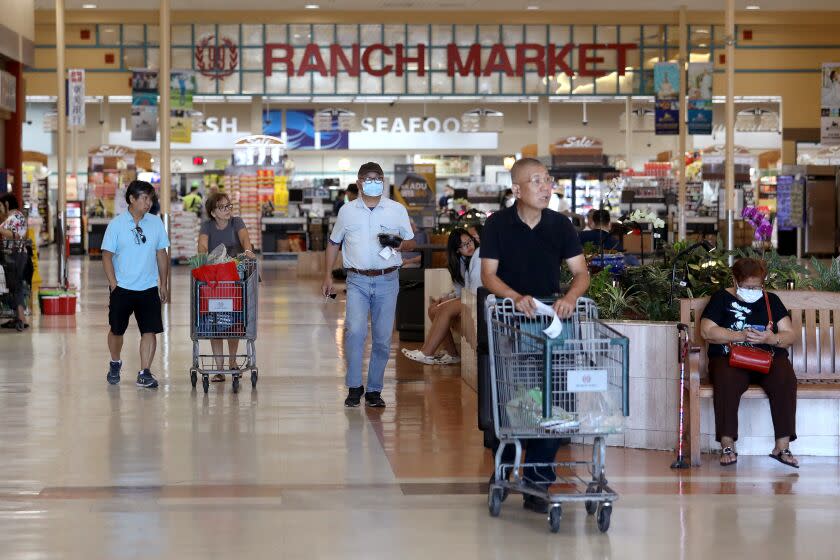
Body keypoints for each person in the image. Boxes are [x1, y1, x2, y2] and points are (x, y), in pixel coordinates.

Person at [480, 157, 590, 513]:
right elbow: (488, 275)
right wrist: (514, 297)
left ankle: (537, 481)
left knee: (554, 401)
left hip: (552, 323)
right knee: (518, 402)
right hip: (511, 323)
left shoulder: (561, 225)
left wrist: (570, 297)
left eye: (548, 181)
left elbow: (581, 273)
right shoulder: (497, 225)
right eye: (537, 181)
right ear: (517, 189)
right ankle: (521, 468)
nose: (546, 188)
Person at [322, 162, 416, 408]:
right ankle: (354, 386)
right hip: (357, 280)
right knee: (354, 332)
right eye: (368, 178)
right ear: (360, 181)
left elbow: (411, 243)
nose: (374, 181)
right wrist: (327, 276)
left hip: (388, 279)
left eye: (378, 178)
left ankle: (374, 389)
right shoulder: (347, 211)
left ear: (383, 181)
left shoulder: (397, 210)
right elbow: (334, 243)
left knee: (383, 338)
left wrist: (397, 243)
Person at [699, 257, 799, 468]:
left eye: (757, 286)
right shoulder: (721, 299)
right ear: (735, 280)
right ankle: (727, 444)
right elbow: (707, 331)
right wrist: (738, 335)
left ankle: (782, 446)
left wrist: (771, 339)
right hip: (730, 357)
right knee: (726, 379)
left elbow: (789, 334)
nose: (753, 290)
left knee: (784, 378)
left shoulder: (771, 300)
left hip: (767, 357)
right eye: (747, 287)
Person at [102, 180, 170, 389]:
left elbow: (161, 254)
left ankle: (145, 372)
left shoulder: (156, 223)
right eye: (144, 198)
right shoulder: (117, 225)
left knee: (150, 330)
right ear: (132, 199)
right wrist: (114, 284)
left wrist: (163, 284)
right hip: (122, 288)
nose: (149, 203)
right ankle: (115, 362)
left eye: (151, 199)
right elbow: (106, 255)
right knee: (116, 330)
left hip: (148, 287)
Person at [197, 192, 256, 383]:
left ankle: (232, 363)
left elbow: (245, 238)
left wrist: (247, 252)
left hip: (235, 277)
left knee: (234, 320)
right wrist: (204, 258)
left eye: (229, 206)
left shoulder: (236, 222)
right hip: (215, 280)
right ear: (213, 212)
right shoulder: (207, 226)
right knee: (215, 320)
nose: (228, 210)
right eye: (223, 207)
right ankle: (220, 368)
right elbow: (202, 245)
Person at [401, 228, 481, 365]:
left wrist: (451, 299)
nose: (469, 246)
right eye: (463, 245)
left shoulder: (479, 256)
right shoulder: (462, 260)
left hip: (478, 298)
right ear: (456, 250)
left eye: (469, 241)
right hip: (469, 297)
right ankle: (452, 354)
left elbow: (475, 289)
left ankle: (426, 353)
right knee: (433, 309)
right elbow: (460, 289)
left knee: (445, 309)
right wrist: (449, 297)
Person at [0, 193, 30, 331]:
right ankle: (18, 317)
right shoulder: (17, 216)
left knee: (15, 285)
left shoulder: (14, 217)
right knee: (14, 286)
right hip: (17, 254)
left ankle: (21, 318)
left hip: (15, 255)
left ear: (6, 204)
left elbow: (14, 235)